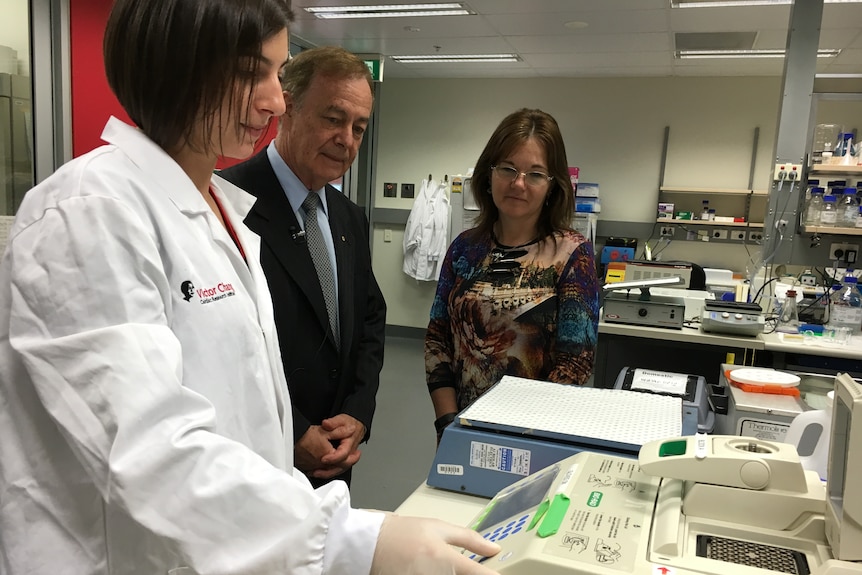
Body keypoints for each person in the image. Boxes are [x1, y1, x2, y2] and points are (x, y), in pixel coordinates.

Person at [0, 1, 500, 573]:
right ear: (175, 66)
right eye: (250, 73)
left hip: (221, 546)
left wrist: (317, 511)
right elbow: (145, 453)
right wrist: (350, 541)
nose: (274, 100)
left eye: (276, 74)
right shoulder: (89, 213)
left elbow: (250, 425)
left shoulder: (220, 213)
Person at [219, 45, 386, 487]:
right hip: (258, 460)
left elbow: (369, 318)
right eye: (333, 119)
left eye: (359, 128)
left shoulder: (348, 217)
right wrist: (290, 429)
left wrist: (358, 412)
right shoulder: (227, 205)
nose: (347, 139)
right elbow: (225, 346)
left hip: (335, 460)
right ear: (287, 108)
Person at [425, 108, 600, 441]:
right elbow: (438, 339)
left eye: (535, 174)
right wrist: (446, 422)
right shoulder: (464, 249)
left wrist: (521, 434)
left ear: (552, 185)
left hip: (534, 436)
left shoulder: (572, 255)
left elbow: (575, 364)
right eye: (507, 168)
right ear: (489, 175)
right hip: (461, 428)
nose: (518, 183)